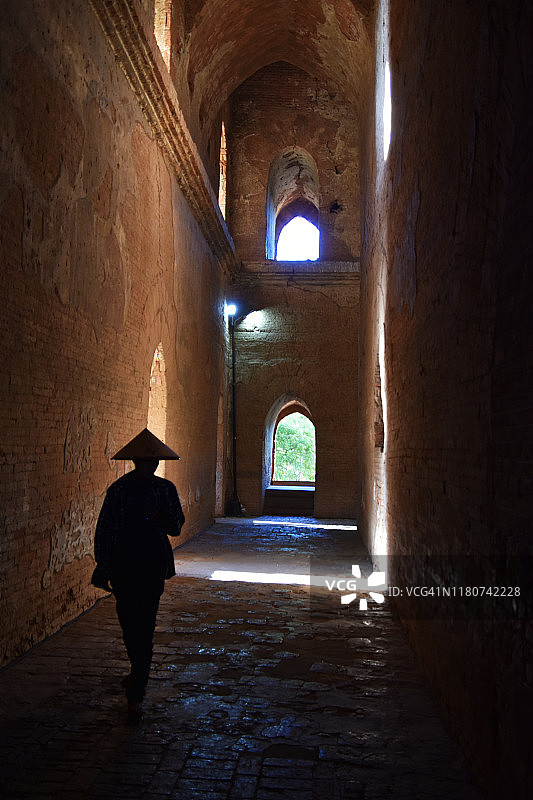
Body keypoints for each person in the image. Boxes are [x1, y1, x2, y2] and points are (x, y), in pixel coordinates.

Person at [91, 428, 185, 724]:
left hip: (151, 566)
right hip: (124, 566)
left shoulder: (165, 490)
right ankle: (137, 674)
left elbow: (176, 527)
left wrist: (158, 516)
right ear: (136, 463)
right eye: (146, 462)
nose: (151, 466)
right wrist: (104, 564)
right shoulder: (118, 492)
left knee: (144, 626)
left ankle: (136, 692)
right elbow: (106, 531)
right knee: (131, 627)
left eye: (153, 462)